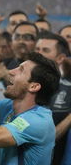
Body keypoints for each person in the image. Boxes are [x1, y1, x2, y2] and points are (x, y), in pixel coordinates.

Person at [35, 32, 71, 165]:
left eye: (45, 50)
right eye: (37, 49)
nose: (38, 54)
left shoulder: (68, 89)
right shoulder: (20, 83)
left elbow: (48, 138)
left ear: (60, 58)